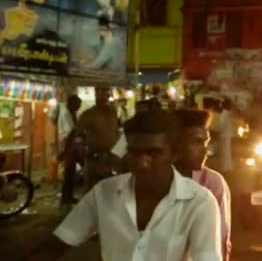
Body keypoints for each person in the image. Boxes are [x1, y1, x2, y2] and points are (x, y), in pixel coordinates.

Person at [26, 110, 222, 261]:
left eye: (153, 153)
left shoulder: (199, 202)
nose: (141, 162)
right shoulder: (105, 192)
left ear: (174, 154)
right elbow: (58, 243)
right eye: (135, 152)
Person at [174, 110, 232, 261]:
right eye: (197, 142)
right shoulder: (155, 180)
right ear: (176, 144)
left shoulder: (212, 183)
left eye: (206, 142)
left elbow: (221, 239)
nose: (205, 150)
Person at [74, 86, 120, 189]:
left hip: (112, 158)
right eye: (101, 94)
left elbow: (116, 132)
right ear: (96, 96)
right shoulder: (88, 114)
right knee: (93, 189)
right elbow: (77, 133)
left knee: (111, 189)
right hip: (95, 158)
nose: (104, 97)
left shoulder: (113, 112)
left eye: (106, 95)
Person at [59, 95, 82, 205]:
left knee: (71, 173)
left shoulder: (71, 112)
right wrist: (67, 150)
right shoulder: (66, 114)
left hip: (72, 145)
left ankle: (69, 196)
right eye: (77, 105)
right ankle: (65, 198)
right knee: (68, 173)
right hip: (68, 145)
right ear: (72, 103)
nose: (78, 107)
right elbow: (71, 133)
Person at [218, 100, 234, 173]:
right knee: (226, 152)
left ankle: (227, 167)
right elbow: (223, 125)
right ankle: (226, 167)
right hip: (226, 135)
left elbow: (222, 125)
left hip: (225, 135)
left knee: (226, 152)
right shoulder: (226, 114)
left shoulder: (225, 113)